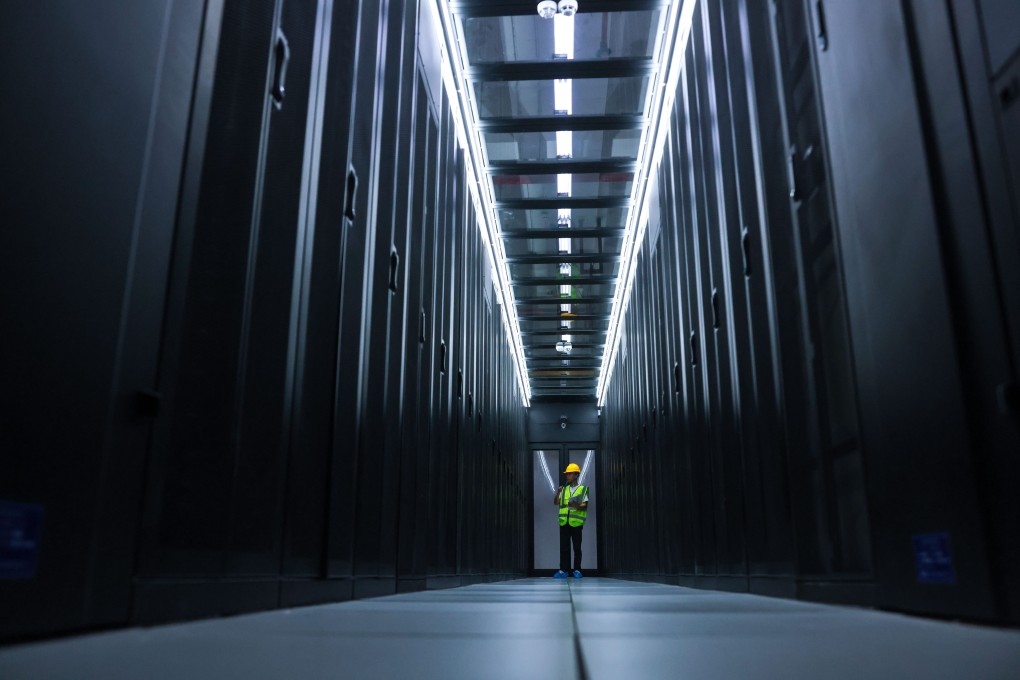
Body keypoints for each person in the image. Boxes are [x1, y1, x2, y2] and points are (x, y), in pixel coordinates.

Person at [553, 463, 588, 579]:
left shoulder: (582, 489)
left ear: (576, 475)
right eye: (567, 474)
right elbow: (556, 502)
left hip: (576, 523)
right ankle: (563, 570)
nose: (567, 475)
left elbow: (585, 505)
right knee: (564, 548)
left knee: (577, 548)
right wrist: (558, 492)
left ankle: (577, 570)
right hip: (564, 522)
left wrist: (576, 505)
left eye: (569, 473)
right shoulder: (564, 489)